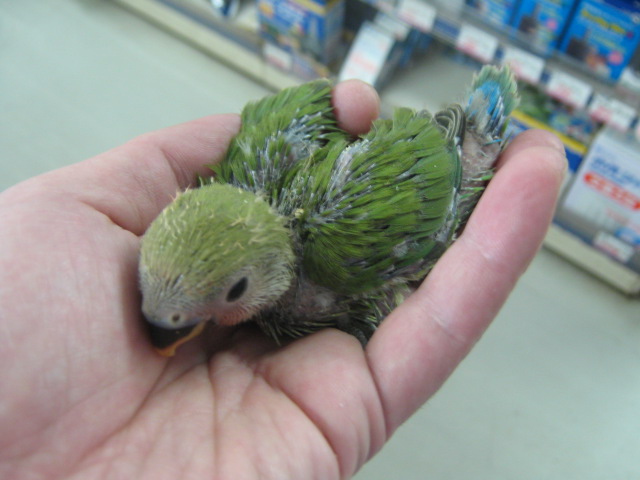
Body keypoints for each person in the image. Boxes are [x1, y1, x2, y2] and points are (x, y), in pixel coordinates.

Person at [0, 80, 565, 479]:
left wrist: (466, 151)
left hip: (425, 174)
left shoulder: (339, 245)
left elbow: (330, 102)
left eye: (231, 292)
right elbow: (321, 99)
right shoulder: (242, 169)